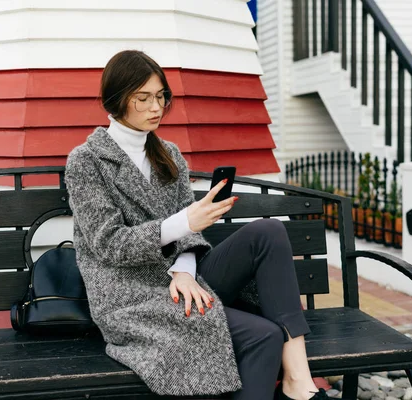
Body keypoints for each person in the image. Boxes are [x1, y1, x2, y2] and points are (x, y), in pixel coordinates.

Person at [65, 50, 331, 400]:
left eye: (161, 97)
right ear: (115, 100)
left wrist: (185, 270)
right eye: (142, 98)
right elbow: (111, 244)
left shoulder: (168, 154)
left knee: (269, 231)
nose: (155, 107)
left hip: (185, 279)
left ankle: (299, 379)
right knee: (263, 335)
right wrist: (184, 222)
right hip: (133, 296)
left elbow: (188, 235)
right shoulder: (86, 162)